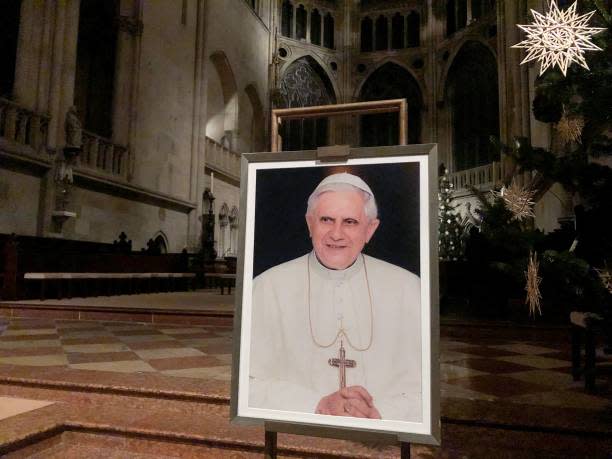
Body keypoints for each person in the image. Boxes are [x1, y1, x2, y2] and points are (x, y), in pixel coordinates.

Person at [249, 172, 422, 422]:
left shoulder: (408, 289)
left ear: (370, 229)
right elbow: (248, 385)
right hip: (297, 432)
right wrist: (315, 404)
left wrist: (379, 413)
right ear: (310, 224)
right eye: (327, 220)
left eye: (350, 222)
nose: (336, 233)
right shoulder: (267, 287)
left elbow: (425, 390)